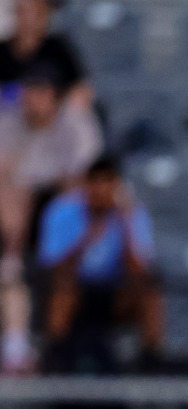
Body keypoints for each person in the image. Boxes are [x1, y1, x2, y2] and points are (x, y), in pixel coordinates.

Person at [0, 65, 100, 373]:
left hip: (68, 219)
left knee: (62, 204)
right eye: (28, 91)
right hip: (19, 222)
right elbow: (5, 174)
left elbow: (88, 180)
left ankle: (55, 351)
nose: (32, 100)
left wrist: (42, 185)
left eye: (40, 92)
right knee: (12, 196)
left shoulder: (76, 122)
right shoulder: (10, 121)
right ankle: (16, 349)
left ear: (55, 97)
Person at [36, 154, 163, 373]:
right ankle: (55, 363)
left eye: (107, 182)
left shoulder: (132, 213)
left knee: (149, 293)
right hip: (75, 291)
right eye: (95, 182)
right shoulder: (62, 211)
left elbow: (140, 271)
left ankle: (152, 368)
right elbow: (53, 269)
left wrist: (124, 225)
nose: (100, 190)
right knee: (63, 290)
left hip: (113, 292)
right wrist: (87, 235)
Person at [0, 0, 87, 104]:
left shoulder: (57, 49)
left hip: (52, 115)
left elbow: (80, 88)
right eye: (25, 12)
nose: (30, 19)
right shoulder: (3, 50)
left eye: (37, 13)